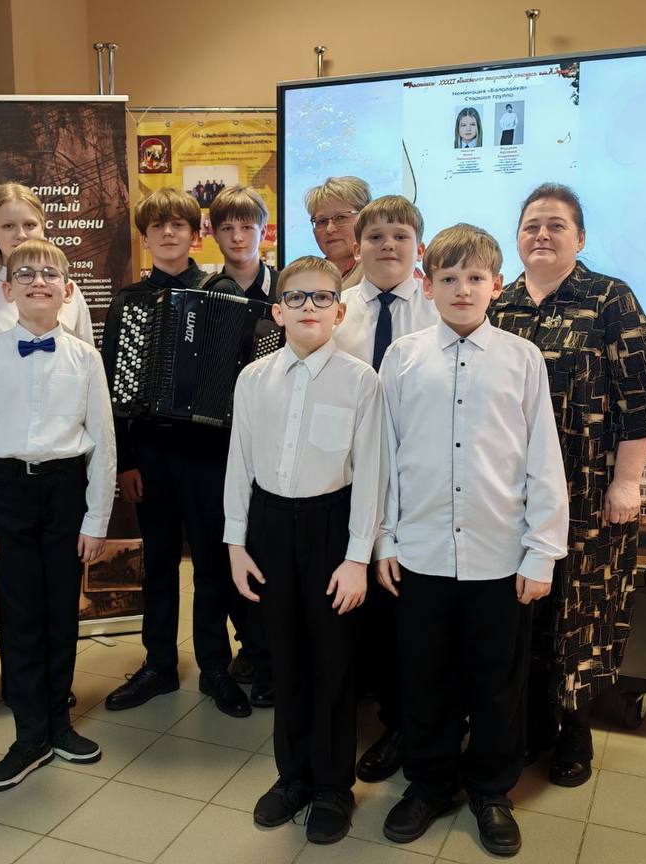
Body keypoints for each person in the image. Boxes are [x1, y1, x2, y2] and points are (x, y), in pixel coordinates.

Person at [377, 224, 568, 857]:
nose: (462, 289)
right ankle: (429, 783)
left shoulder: (522, 358)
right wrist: (384, 540)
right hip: (421, 551)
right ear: (427, 285)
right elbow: (385, 455)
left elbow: (542, 459)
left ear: (497, 285)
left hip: (498, 554)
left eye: (476, 278)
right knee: (424, 676)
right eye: (449, 278)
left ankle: (490, 790)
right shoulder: (402, 358)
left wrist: (541, 550)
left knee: (496, 682)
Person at [491, 183, 646, 788]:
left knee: (582, 609)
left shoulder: (610, 299)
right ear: (517, 237)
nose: (542, 234)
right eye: (532, 224)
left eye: (557, 225)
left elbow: (642, 400)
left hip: (589, 488)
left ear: (580, 237)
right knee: (525, 606)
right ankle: (529, 724)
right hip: (513, 492)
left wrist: (628, 481)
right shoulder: (500, 304)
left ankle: (574, 731)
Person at [225, 256, 384, 845]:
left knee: (333, 661)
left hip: (330, 526)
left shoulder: (361, 381)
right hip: (269, 525)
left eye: (321, 298)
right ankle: (292, 775)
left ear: (339, 312)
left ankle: (333, 786)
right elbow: (239, 461)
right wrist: (235, 542)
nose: (309, 307)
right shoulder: (253, 378)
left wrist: (357, 557)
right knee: (283, 656)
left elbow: (371, 472)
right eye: (297, 298)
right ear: (278, 311)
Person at [0, 238, 116, 792]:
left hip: (65, 490)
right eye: (25, 274)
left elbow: (103, 444)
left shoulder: (86, 358)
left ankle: (58, 723)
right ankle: (29, 736)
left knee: (61, 612)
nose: (38, 281)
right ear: (7, 291)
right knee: (20, 616)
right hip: (7, 491)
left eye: (49, 274)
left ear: (67, 290)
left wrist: (96, 519)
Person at [100, 189, 251, 718]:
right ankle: (159, 664)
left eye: (178, 225)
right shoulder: (128, 302)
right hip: (152, 456)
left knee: (211, 564)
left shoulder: (222, 291)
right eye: (157, 226)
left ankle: (215, 666)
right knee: (159, 563)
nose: (168, 233)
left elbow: (243, 373)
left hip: (210, 455)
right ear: (144, 238)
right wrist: (126, 461)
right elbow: (113, 392)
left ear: (195, 234)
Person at [333, 194, 438, 783]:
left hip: (414, 484)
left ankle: (402, 723)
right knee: (355, 609)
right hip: (345, 480)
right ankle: (351, 709)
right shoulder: (336, 310)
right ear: (357, 246)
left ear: (418, 247)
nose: (388, 246)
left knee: (403, 609)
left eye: (400, 236)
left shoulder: (440, 306)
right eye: (375, 237)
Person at [209, 184, 278, 704]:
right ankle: (250, 646)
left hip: (276, 440)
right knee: (231, 547)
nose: (237, 237)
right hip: (218, 442)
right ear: (213, 234)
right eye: (227, 228)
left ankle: (273, 651)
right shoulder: (207, 291)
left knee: (269, 546)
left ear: (263, 231)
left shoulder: (286, 288)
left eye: (246, 227)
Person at [0, 182, 94, 343]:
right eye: (8, 226)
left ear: (42, 228)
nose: (21, 235)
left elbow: (86, 353)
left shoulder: (66, 288)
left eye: (29, 225)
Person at [304, 176, 368, 289]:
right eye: (322, 221)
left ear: (366, 219)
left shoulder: (379, 272)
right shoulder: (303, 278)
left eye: (340, 217)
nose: (330, 229)